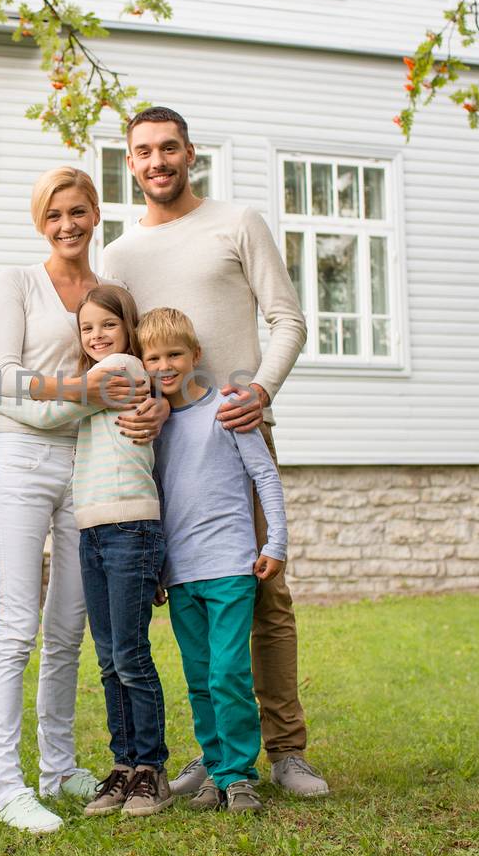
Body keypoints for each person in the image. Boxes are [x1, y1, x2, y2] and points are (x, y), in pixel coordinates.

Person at [100, 106, 330, 799]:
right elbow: (117, 351)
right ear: (130, 162)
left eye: (169, 148)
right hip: (161, 450)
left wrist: (260, 390)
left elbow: (287, 318)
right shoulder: (119, 255)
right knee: (190, 598)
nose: (157, 161)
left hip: (236, 434)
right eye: (143, 151)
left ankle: (286, 750)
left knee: (263, 591)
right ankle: (213, 751)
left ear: (190, 154)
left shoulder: (237, 223)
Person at [0, 166, 160, 835]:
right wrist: (81, 392)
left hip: (89, 467)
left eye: (79, 211)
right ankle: (7, 784)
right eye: (55, 214)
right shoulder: (18, 283)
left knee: (67, 632)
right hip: (25, 460)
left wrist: (156, 407)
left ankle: (58, 768)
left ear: (95, 214)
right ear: (40, 220)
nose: (67, 225)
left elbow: (140, 373)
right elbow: (3, 383)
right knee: (18, 626)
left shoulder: (111, 292)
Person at [5, 285, 171, 818]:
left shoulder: (122, 369)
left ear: (127, 330)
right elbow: (68, 410)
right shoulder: (96, 379)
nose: (97, 337)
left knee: (131, 655)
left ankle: (152, 769)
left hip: (130, 529)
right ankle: (123, 767)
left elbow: (52, 415)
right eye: (87, 329)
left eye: (108, 325)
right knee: (108, 658)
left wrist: (1, 401)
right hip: (94, 530)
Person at [141, 307, 288, 812]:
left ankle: (239, 774)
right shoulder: (153, 429)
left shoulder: (226, 410)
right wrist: (158, 568)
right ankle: (215, 766)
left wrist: (276, 545)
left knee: (229, 672)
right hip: (181, 574)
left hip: (230, 566)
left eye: (175, 354)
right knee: (200, 676)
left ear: (195, 356)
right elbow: (156, 498)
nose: (165, 365)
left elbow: (265, 477)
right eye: (153, 357)